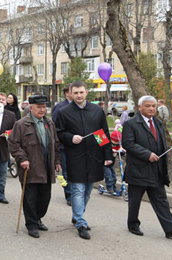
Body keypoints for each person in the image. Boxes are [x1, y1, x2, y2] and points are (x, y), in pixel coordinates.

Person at [122, 95, 172, 239]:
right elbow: (128, 144)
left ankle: (171, 229)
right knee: (135, 201)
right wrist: (147, 154)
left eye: (154, 106)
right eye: (148, 106)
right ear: (140, 107)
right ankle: (133, 224)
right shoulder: (131, 124)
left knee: (161, 200)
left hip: (156, 171)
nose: (151, 108)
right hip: (138, 170)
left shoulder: (158, 123)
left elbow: (161, 144)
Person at [55, 81, 112, 240]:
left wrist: (108, 155)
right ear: (70, 94)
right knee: (77, 190)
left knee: (87, 191)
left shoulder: (96, 111)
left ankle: (77, 214)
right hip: (75, 157)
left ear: (86, 92)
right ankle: (80, 222)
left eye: (81, 92)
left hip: (94, 156)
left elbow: (103, 134)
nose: (79, 96)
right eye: (76, 93)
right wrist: (70, 137)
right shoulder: (64, 112)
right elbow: (59, 133)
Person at [9, 95, 61, 238]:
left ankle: (37, 218)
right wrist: (22, 159)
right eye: (39, 107)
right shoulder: (21, 124)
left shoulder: (49, 123)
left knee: (45, 198)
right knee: (30, 198)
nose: (42, 110)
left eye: (44, 107)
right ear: (31, 108)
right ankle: (31, 224)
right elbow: (13, 144)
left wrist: (57, 161)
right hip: (30, 167)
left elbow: (55, 143)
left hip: (46, 166)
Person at [51, 85, 73, 206]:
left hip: (77, 146)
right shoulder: (60, 107)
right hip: (64, 145)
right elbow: (54, 127)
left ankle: (75, 192)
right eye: (73, 91)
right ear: (66, 93)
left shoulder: (80, 106)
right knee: (66, 171)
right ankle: (69, 195)